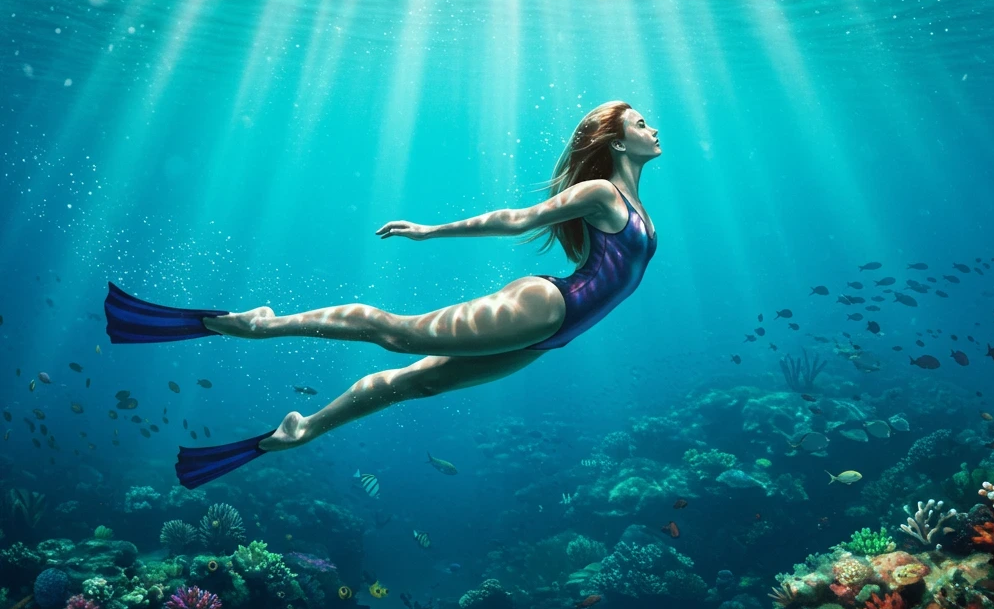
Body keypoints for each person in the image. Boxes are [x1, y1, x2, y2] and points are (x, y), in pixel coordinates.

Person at [104, 101, 660, 488]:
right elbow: (520, 219)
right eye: (641, 123)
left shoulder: (635, 204)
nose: (652, 129)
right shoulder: (601, 192)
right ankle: (261, 323)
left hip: (552, 337)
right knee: (396, 334)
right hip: (545, 309)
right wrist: (429, 231)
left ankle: (305, 428)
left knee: (418, 383)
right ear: (615, 140)